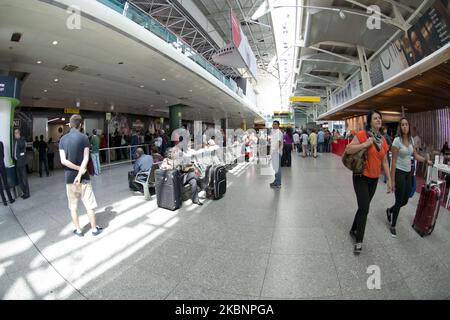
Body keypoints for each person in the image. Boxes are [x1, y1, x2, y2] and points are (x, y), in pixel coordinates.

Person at [345, 110, 392, 254]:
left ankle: (353, 229)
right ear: (370, 121)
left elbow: (384, 161)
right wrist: (365, 144)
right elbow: (348, 148)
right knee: (365, 208)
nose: (378, 120)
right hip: (360, 176)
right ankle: (359, 240)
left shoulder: (383, 140)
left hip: (374, 179)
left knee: (363, 207)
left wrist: (389, 180)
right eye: (375, 118)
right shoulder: (362, 135)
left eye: (380, 118)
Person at [387, 118, 432, 238]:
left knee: (405, 200)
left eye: (406, 124)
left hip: (408, 173)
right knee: (399, 199)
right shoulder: (397, 141)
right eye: (402, 125)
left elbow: (415, 155)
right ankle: (393, 225)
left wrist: (426, 160)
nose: (405, 126)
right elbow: (394, 161)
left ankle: (390, 211)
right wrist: (392, 180)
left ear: (409, 126)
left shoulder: (411, 139)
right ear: (400, 127)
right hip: (399, 172)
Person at [59, 115, 103, 237]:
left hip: (69, 179)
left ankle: (78, 230)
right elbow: (86, 157)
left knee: (73, 207)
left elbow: (63, 161)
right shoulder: (84, 138)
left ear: (70, 124)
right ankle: (94, 229)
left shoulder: (62, 139)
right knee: (89, 205)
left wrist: (76, 171)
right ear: (81, 125)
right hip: (84, 178)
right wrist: (80, 171)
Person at [13, 129, 30, 199]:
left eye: (16, 133)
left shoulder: (22, 140)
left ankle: (27, 193)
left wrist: (19, 138)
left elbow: (21, 146)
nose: (14, 134)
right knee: (20, 179)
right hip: (17, 163)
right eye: (14, 133)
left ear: (18, 133)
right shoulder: (16, 141)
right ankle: (24, 192)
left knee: (24, 179)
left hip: (22, 163)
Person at [0, 140, 15, 206]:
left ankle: (4, 201)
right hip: (2, 165)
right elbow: (3, 155)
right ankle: (10, 199)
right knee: (6, 183)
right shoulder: (1, 143)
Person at [269, 121, 283, 189]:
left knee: (277, 168)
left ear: (278, 125)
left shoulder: (278, 132)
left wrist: (274, 151)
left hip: (277, 153)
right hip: (274, 153)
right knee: (275, 168)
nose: (274, 125)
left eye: (275, 124)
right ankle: (276, 181)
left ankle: (278, 183)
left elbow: (279, 142)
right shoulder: (274, 132)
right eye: (273, 124)